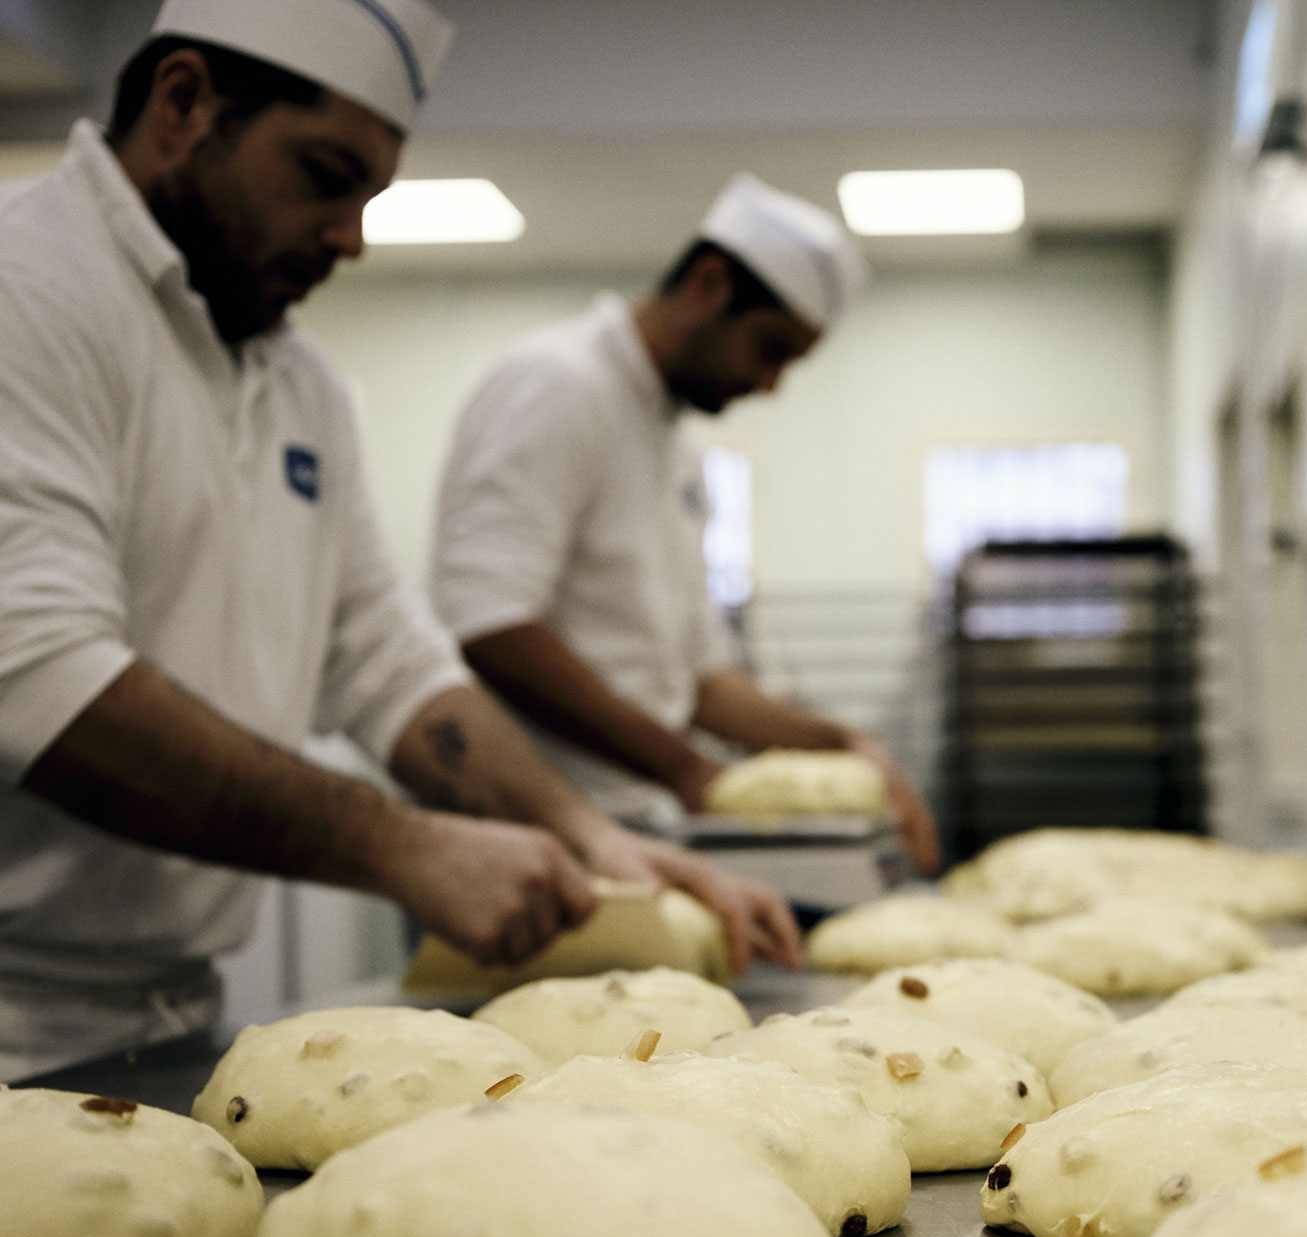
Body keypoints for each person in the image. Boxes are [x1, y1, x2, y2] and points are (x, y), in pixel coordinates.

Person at [0, 0, 799, 1080]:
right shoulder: (28, 293)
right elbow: (42, 678)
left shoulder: (299, 386)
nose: (353, 237)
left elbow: (386, 654)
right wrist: (403, 845)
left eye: (371, 197)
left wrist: (586, 837)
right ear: (183, 100)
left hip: (165, 1011)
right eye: (325, 175)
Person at [427, 175, 942, 874]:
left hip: (632, 829)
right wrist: (687, 769)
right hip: (527, 836)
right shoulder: (558, 385)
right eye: (770, 349)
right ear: (707, 284)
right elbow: (489, 625)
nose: (771, 386)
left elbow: (699, 681)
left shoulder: (678, 448)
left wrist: (842, 744)